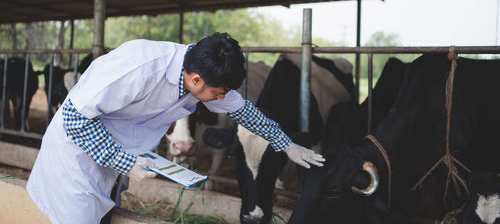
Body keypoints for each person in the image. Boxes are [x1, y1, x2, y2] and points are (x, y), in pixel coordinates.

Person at [27, 32, 325, 224]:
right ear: (196, 80)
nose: (220, 100)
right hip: (76, 160)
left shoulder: (199, 72)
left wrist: (285, 143)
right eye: (217, 94)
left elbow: (243, 110)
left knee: (103, 215)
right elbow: (74, 118)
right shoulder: (139, 66)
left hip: (113, 159)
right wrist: (125, 162)